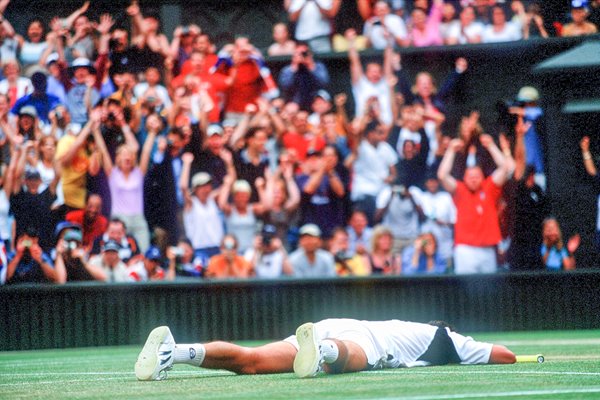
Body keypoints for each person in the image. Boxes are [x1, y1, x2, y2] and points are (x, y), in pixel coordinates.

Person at [134, 318, 516, 381]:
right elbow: (505, 355)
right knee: (356, 357)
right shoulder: (446, 337)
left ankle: (175, 351)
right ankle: (325, 352)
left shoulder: (405, 326)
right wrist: (464, 345)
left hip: (329, 323)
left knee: (251, 363)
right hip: (350, 339)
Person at [437, 134, 510, 274]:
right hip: (465, 249)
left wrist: (491, 146)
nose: (474, 180)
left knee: (487, 292)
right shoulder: (459, 189)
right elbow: (442, 175)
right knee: (466, 290)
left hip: (487, 248)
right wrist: (451, 150)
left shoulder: (489, 187)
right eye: (470, 177)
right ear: (464, 178)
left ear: (482, 177)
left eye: (477, 176)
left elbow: (505, 168)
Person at [278, 44, 329, 112]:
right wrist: (295, 67)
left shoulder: (319, 66)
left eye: (304, 53)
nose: (301, 56)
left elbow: (324, 83)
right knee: (290, 109)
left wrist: (310, 66)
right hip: (296, 99)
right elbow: (285, 86)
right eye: (298, 54)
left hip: (315, 98)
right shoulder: (287, 70)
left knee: (322, 106)